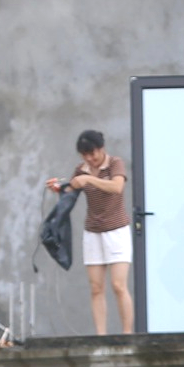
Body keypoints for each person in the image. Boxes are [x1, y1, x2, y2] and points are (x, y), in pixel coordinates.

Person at [47, 130, 134, 335]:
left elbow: (116, 187)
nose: (90, 159)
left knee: (118, 285)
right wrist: (58, 188)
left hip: (117, 230)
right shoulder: (81, 169)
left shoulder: (115, 163)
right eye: (84, 155)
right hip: (93, 232)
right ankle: (100, 335)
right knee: (96, 287)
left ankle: (127, 333)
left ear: (101, 149)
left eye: (92, 153)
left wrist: (89, 180)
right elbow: (72, 189)